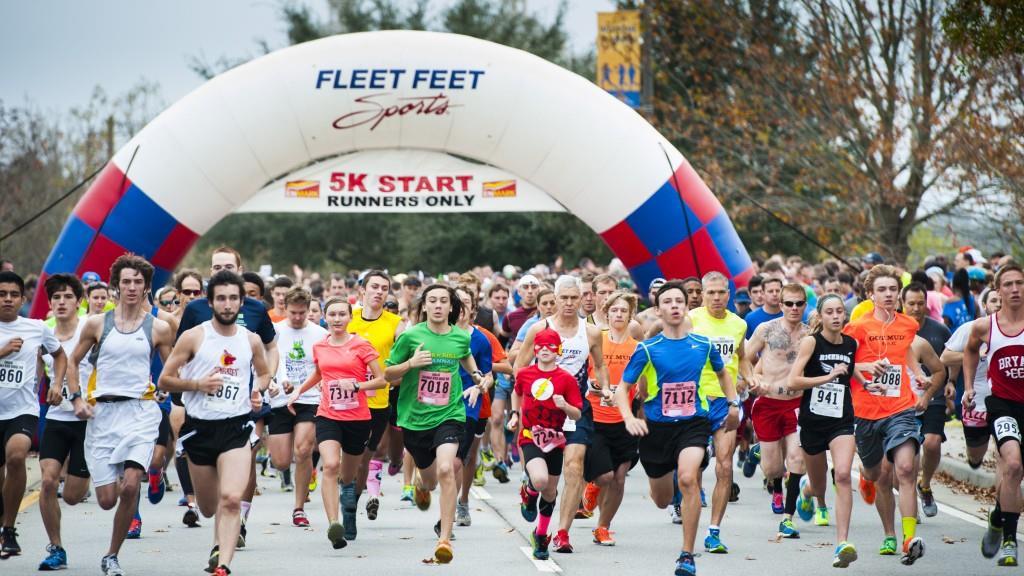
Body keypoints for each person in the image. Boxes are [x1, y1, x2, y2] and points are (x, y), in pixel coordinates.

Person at [615, 279, 738, 576]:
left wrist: (734, 404)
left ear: (686, 308)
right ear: (658, 310)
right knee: (661, 499)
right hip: (657, 428)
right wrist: (629, 417)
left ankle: (687, 555)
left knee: (687, 479)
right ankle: (664, 486)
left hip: (693, 423)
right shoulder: (648, 348)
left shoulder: (703, 344)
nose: (674, 307)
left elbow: (724, 376)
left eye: (679, 302)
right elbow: (623, 388)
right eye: (668, 302)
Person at [66, 255, 175, 576]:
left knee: (130, 487)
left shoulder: (159, 327)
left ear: (146, 287)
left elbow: (173, 366)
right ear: (116, 285)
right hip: (103, 416)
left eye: (138, 282)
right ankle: (114, 475)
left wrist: (173, 386)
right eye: (126, 281)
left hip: (141, 411)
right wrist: (76, 398)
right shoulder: (97, 324)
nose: (131, 287)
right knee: (106, 499)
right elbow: (72, 362)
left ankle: (112, 555)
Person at [158, 270, 271, 576]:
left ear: (241, 302)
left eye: (233, 298)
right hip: (199, 429)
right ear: (210, 302)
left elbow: (263, 371)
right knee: (209, 507)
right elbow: (165, 379)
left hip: (236, 427)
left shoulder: (251, 340)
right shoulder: (194, 337)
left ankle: (223, 564)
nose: (227, 304)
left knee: (232, 499)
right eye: (221, 298)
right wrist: (196, 385)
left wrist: (256, 388)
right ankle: (216, 535)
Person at [842, 264, 944, 565]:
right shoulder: (857, 328)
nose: (888, 295)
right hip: (866, 412)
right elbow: (845, 365)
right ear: (871, 295)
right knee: (878, 474)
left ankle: (908, 537)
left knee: (905, 469)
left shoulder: (906, 326)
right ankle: (871, 489)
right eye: (882, 290)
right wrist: (863, 369)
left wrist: (919, 376)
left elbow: (906, 354)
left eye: (892, 289)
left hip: (901, 408)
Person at [177, 247, 278, 548]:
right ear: (210, 271)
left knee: (238, 473)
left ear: (239, 268)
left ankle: (231, 530)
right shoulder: (196, 309)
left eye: (228, 265)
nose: (222, 269)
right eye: (217, 265)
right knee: (214, 494)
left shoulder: (255, 309)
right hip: (203, 405)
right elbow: (181, 354)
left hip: (245, 404)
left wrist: (264, 380)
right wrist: (193, 384)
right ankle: (223, 516)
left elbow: (271, 347)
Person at [384, 284, 489, 564]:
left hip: (450, 414)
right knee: (430, 482)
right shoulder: (410, 336)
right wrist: (411, 364)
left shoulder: (459, 336)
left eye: (444, 301)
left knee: (447, 467)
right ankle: (420, 481)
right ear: (425, 306)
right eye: (433, 301)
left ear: (452, 307)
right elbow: (388, 372)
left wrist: (476, 374)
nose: (439, 305)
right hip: (415, 419)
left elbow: (464, 354)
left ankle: (444, 538)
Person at [515, 275, 608, 554]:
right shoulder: (539, 328)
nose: (568, 303)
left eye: (574, 298)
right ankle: (530, 492)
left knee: (575, 466)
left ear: (582, 299)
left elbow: (600, 366)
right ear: (554, 299)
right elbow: (519, 368)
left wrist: (604, 387)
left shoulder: (590, 332)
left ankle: (563, 532)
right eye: (563, 298)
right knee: (544, 481)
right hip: (542, 414)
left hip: (574, 409)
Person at [286, 296, 386, 550]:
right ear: (325, 318)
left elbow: (382, 380)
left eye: (342, 314)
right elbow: (320, 373)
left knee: (348, 474)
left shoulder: (362, 345)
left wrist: (357, 385)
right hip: (328, 414)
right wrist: (299, 391)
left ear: (350, 318)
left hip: (358, 418)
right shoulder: (320, 346)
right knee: (330, 465)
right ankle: (334, 524)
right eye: (333, 314)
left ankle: (348, 503)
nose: (337, 319)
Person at [787, 293, 863, 567]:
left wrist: (867, 384)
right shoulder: (811, 342)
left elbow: (850, 370)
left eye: (839, 311)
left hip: (841, 419)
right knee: (819, 485)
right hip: (812, 422)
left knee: (842, 475)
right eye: (829, 311)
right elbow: (793, 379)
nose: (835, 316)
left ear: (844, 315)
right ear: (821, 315)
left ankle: (842, 542)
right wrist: (827, 377)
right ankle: (808, 491)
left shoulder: (851, 343)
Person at [0, 271, 67, 560]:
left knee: (16, 456)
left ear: (23, 298)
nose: (8, 299)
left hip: (22, 410)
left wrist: (56, 383)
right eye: (2, 294)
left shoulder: (36, 328)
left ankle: (9, 528)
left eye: (14, 294)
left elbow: (60, 355)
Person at [684, 272, 752, 552]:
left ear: (729, 293)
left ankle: (714, 531)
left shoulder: (738, 324)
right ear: (701, 293)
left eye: (721, 292)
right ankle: (689, 510)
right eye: (710, 292)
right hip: (696, 399)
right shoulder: (691, 320)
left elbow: (742, 356)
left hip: (726, 401)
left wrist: (750, 376)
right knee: (694, 467)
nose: (716, 297)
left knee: (724, 466)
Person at [962, 263, 1024, 567]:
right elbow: (970, 350)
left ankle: (998, 518)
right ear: (998, 290)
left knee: (1017, 474)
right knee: (1012, 465)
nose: (1015, 289)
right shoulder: (986, 326)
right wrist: (969, 386)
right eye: (1008, 284)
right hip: (1001, 404)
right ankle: (1010, 541)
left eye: (1020, 283)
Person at [509, 327, 583, 559]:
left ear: (558, 351)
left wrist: (565, 406)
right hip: (530, 435)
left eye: (550, 346)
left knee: (550, 492)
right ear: (534, 349)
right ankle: (529, 492)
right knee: (540, 481)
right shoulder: (524, 374)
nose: (544, 350)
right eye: (540, 346)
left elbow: (577, 414)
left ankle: (540, 536)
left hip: (555, 439)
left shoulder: (566, 379)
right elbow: (516, 392)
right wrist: (514, 414)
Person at [745, 284, 812, 538]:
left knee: (796, 459)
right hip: (768, 403)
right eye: (789, 303)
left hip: (797, 404)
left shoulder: (810, 335)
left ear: (805, 305)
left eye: (799, 304)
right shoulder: (766, 329)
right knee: (772, 469)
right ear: (781, 305)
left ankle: (788, 517)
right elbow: (745, 360)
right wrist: (754, 381)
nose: (794, 308)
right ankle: (764, 462)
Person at [35, 274, 92, 570]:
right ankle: (56, 548)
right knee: (47, 481)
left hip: (88, 420)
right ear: (49, 302)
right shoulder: (43, 332)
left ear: (78, 302)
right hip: (56, 417)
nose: (61, 302)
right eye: (56, 297)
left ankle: (96, 474)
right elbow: (36, 371)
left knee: (72, 496)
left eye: (68, 297)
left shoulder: (90, 328)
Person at [580, 291, 640, 544]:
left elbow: (643, 383)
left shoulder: (638, 348)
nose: (618, 315)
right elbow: (580, 375)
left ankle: (603, 527)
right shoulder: (595, 340)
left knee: (618, 477)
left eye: (623, 311)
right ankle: (592, 487)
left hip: (624, 419)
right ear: (606, 313)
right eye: (614, 310)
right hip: (596, 416)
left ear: (630, 315)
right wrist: (594, 386)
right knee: (604, 476)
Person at [347, 270, 405, 521]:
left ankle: (351, 506)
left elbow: (405, 359)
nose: (379, 291)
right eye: (375, 287)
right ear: (363, 290)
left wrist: (395, 377)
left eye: (384, 288)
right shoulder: (348, 317)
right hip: (344, 399)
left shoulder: (395, 324)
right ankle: (344, 497)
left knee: (364, 460)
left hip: (378, 400)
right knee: (344, 458)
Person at [267, 287, 327, 527]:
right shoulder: (274, 332)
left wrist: (322, 384)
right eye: (293, 313)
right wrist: (271, 382)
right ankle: (292, 471)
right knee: (281, 461)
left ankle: (299, 508)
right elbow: (264, 362)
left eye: (303, 313)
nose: (298, 317)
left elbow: (325, 366)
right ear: (285, 309)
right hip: (280, 398)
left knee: (303, 450)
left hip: (309, 398)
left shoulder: (320, 334)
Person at [900, 283, 952, 518]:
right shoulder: (895, 331)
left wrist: (950, 384)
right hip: (903, 400)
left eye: (920, 303)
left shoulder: (939, 330)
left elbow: (948, 362)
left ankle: (926, 485)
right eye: (911, 303)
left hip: (934, 395)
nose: (916, 308)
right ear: (903, 304)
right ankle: (909, 500)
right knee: (908, 458)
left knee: (931, 443)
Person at [452, 286, 494, 528]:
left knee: (459, 459)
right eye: (455, 302)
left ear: (473, 309)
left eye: (465, 303)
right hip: (436, 405)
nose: (460, 307)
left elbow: (487, 374)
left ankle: (459, 503)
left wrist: (479, 387)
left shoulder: (480, 339)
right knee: (440, 462)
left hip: (468, 406)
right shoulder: (435, 334)